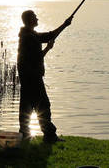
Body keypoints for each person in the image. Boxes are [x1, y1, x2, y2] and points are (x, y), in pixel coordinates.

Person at [17, 9, 72, 143]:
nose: (37, 19)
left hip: (27, 77)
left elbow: (50, 35)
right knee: (43, 106)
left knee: (27, 107)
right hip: (32, 77)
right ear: (30, 20)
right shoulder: (29, 37)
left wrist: (64, 25)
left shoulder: (29, 35)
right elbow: (36, 58)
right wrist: (48, 48)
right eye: (35, 17)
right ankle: (49, 136)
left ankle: (24, 134)